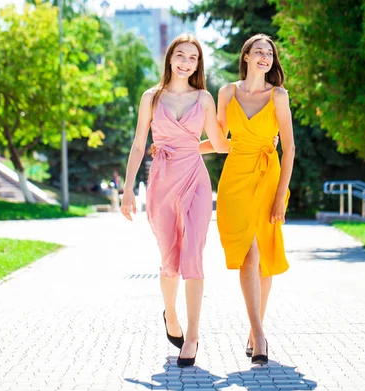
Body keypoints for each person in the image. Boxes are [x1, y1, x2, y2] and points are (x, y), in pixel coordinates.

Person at [120, 33, 230, 367]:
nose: (186, 62)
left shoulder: (205, 99)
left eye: (193, 58)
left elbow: (219, 143)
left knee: (193, 255)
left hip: (195, 180)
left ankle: (193, 338)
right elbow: (139, 144)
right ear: (169, 58)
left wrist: (254, 138)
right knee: (170, 260)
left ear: (198, 65)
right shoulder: (151, 98)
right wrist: (126, 190)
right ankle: (170, 314)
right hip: (161, 182)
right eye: (180, 55)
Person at [216, 34, 295, 365]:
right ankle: (259, 333)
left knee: (262, 256)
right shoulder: (226, 93)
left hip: (268, 178)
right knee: (247, 254)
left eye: (269, 53)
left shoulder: (279, 95)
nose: (265, 56)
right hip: (234, 179)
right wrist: (179, 146)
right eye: (258, 51)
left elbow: (289, 147)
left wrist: (280, 197)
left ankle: (254, 332)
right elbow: (220, 142)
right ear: (245, 56)